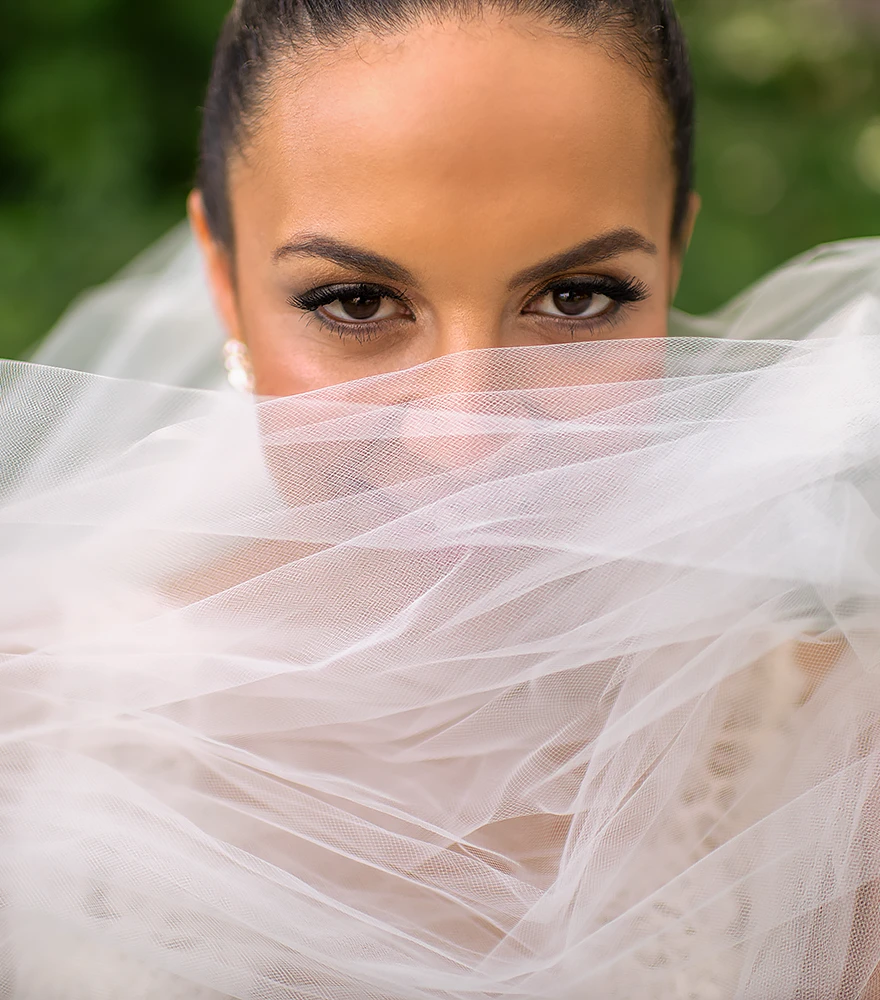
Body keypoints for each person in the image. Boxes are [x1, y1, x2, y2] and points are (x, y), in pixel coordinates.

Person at [4, 0, 880, 997]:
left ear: (671, 254)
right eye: (357, 303)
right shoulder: (24, 749)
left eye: (576, 296)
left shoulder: (833, 767)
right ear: (221, 273)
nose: (465, 441)